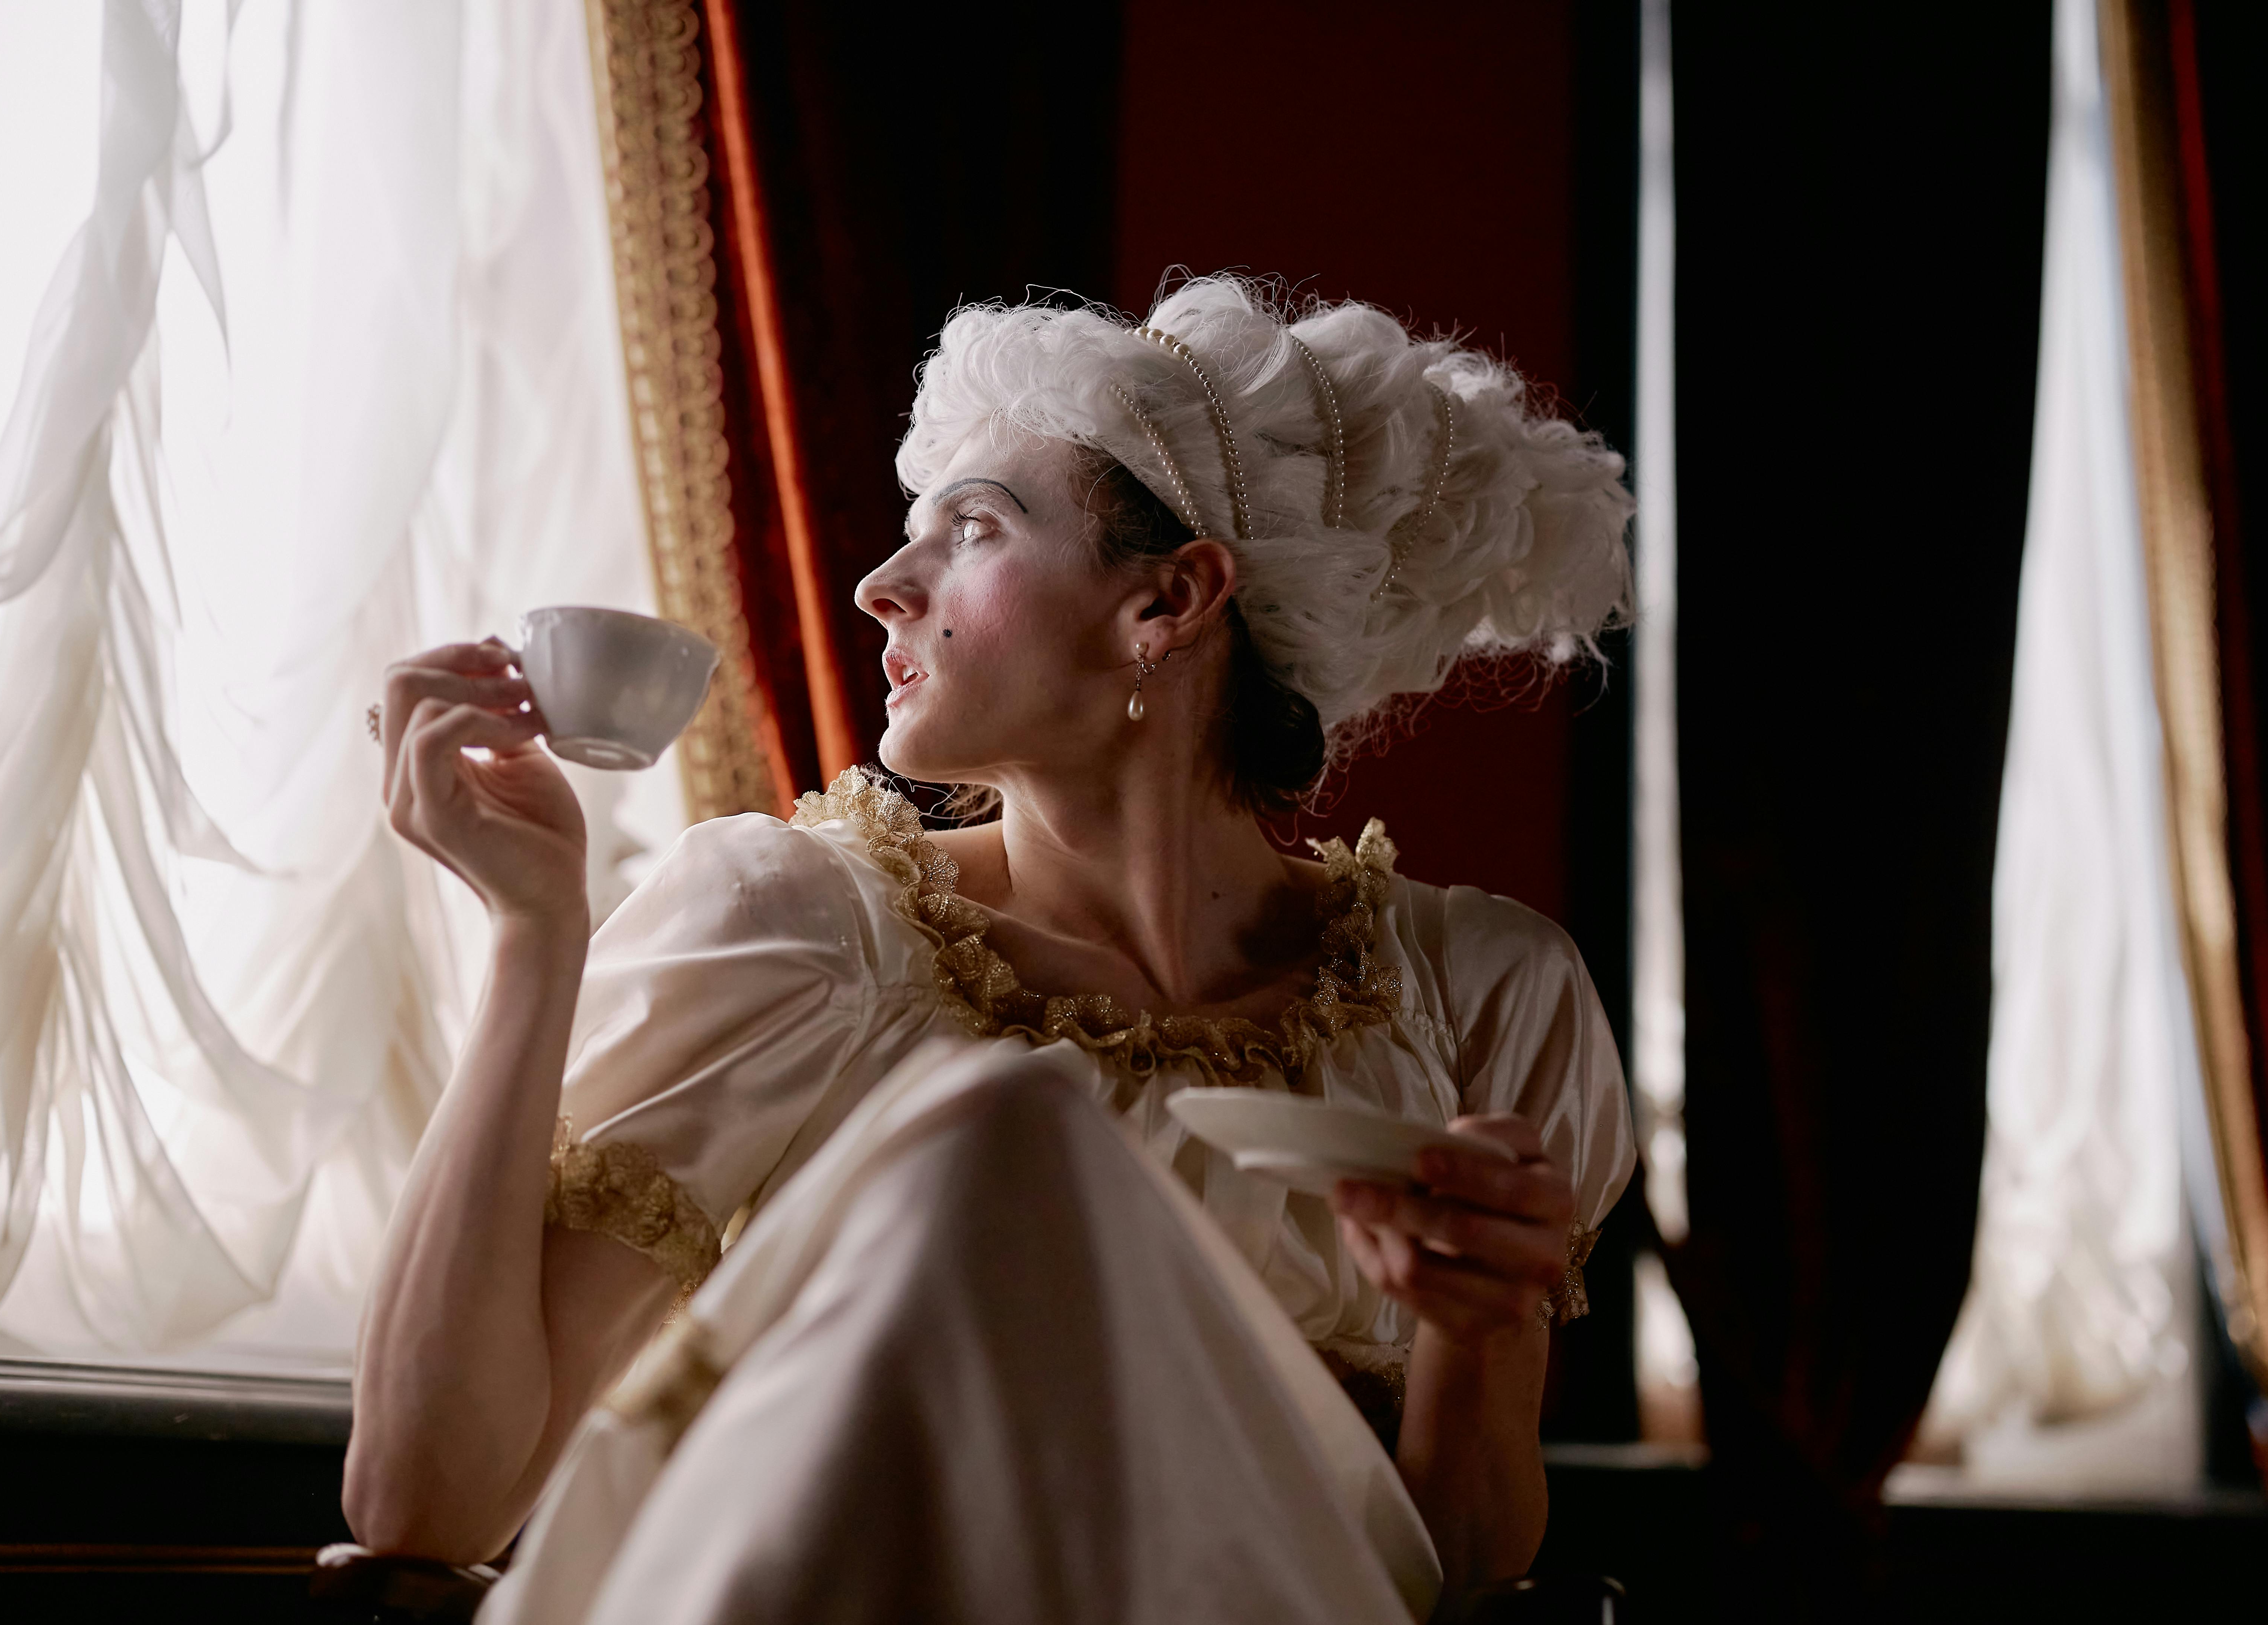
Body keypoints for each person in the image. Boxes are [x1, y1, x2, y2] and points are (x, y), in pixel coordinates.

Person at [345, 276, 1637, 1620]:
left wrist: (1473, 1327)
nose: (879, 586)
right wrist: (534, 933)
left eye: (971, 529)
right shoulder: (793, 934)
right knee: (1003, 1132)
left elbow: (1460, 1577)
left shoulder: (1482, 999)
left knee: (1010, 1131)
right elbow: (425, 1500)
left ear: (1171, 601)